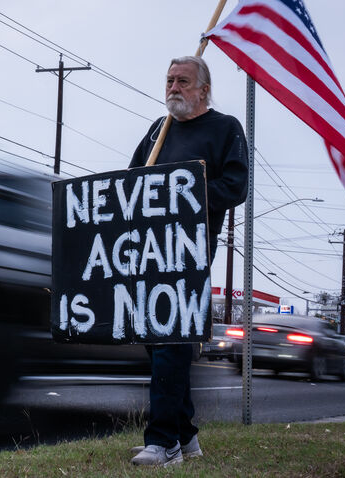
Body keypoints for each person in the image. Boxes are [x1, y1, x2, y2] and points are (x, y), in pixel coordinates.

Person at [129, 56, 248, 467]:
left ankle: (163, 442)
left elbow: (235, 186)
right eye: (169, 81)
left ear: (203, 90)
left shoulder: (225, 128)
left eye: (183, 81)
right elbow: (131, 183)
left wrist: (185, 196)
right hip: (147, 249)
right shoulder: (156, 132)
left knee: (171, 337)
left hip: (190, 247)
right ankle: (186, 434)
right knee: (155, 338)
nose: (174, 88)